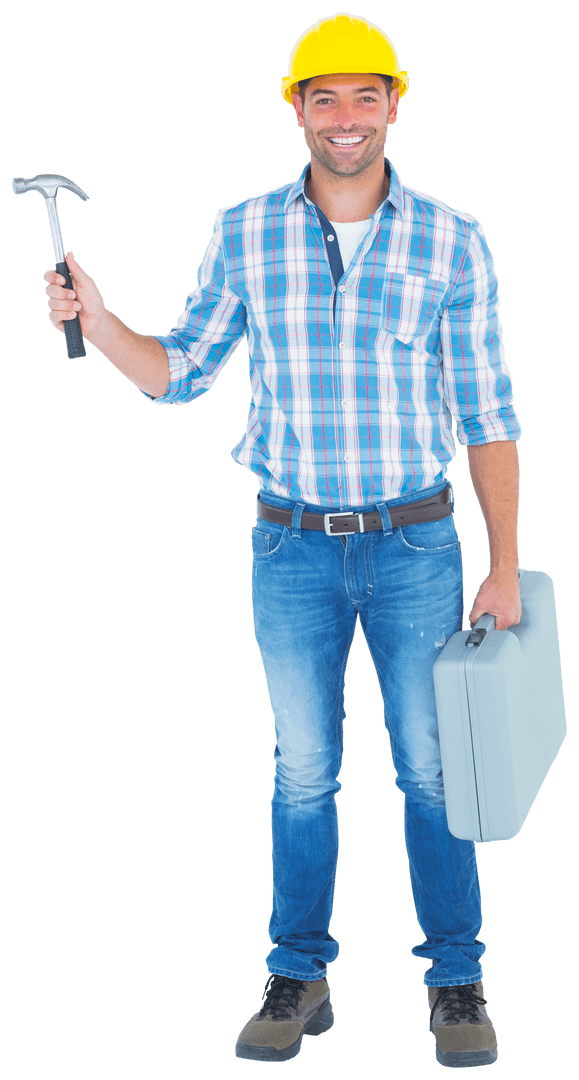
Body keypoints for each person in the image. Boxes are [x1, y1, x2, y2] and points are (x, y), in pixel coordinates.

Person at [43, 12, 522, 1069]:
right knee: (302, 769)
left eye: (364, 96)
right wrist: (102, 317)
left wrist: (499, 563)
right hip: (290, 551)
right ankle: (299, 975)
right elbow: (183, 375)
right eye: (323, 97)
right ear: (295, 109)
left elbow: (488, 412)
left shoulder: (453, 236)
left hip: (416, 549)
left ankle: (456, 981)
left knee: (434, 770)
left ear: (395, 104)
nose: (344, 118)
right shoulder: (245, 229)